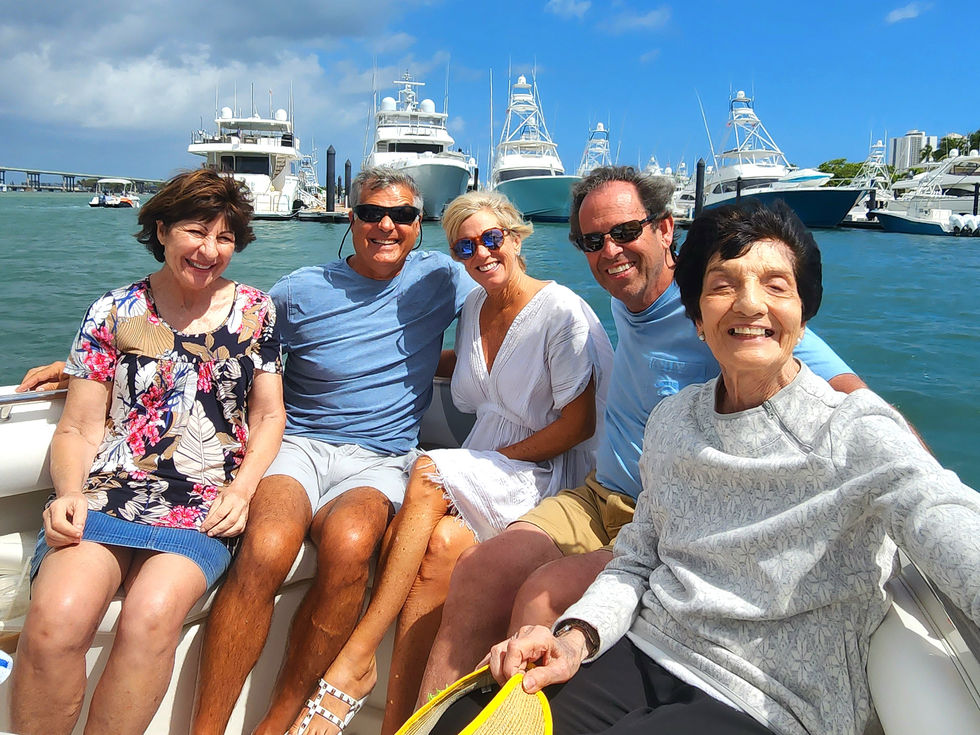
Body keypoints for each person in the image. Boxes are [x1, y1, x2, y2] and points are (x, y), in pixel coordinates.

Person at [429, 199, 980, 735]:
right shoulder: (673, 421)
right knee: (465, 721)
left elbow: (939, 510)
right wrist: (574, 638)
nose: (748, 304)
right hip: (648, 649)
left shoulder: (853, 431)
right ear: (696, 316)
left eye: (775, 285)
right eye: (722, 286)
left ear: (804, 315)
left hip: (767, 697)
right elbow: (639, 557)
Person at [418, 166, 867, 702]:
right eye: (593, 240)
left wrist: (908, 474)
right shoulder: (622, 297)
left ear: (664, 229)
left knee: (544, 596)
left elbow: (850, 396)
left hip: (664, 518)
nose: (611, 251)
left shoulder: (717, 308)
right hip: (597, 495)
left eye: (626, 232)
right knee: (477, 569)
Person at [286, 191, 614, 735]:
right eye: (465, 246)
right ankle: (405, 724)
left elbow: (578, 427)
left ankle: (356, 659)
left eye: (492, 239)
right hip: (490, 462)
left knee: (427, 470)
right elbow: (466, 368)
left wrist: (496, 458)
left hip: (545, 469)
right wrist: (382, 364)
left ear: (516, 235)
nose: (481, 254)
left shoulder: (561, 313)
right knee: (434, 549)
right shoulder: (475, 308)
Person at [189, 167, 474, 735]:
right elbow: (224, 342)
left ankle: (276, 724)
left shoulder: (443, 279)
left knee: (350, 543)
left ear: (421, 226)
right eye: (372, 213)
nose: (386, 225)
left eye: (403, 216)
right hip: (299, 444)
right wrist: (86, 373)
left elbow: (510, 305)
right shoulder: (300, 289)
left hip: (382, 456)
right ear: (352, 218)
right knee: (267, 544)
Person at [9, 168, 286, 735]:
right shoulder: (112, 311)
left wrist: (243, 486)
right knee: (56, 621)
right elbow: (81, 426)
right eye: (196, 230)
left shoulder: (257, 311)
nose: (210, 250)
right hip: (110, 492)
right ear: (162, 229)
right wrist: (67, 494)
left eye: (226, 237)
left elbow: (267, 415)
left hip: (206, 501)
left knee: (151, 617)